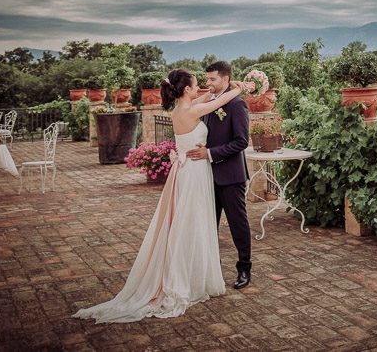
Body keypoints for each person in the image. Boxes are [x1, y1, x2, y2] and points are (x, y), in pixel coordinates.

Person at [73, 69, 243, 323]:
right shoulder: (192, 110)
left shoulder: (181, 108)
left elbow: (207, 97)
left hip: (184, 172)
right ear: (187, 90)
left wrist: (217, 88)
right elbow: (217, 102)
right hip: (194, 173)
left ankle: (194, 272)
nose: (200, 89)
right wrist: (240, 89)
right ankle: (186, 278)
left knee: (187, 223)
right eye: (197, 85)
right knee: (192, 223)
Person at [185, 61, 252, 289]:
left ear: (225, 80)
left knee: (238, 225)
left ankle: (244, 268)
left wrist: (210, 153)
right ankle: (211, 267)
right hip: (205, 176)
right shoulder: (209, 102)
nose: (208, 83)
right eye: (207, 79)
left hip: (230, 176)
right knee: (207, 225)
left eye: (212, 79)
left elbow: (241, 142)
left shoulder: (236, 105)